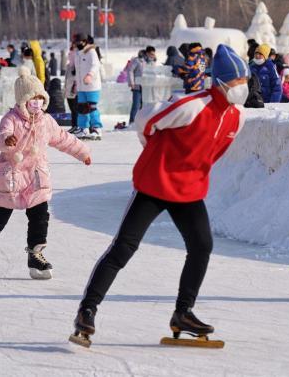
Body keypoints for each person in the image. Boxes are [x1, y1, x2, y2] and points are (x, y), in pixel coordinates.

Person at [71, 44, 249, 347]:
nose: (241, 88)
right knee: (124, 247)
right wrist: (156, 154)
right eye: (237, 82)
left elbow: (214, 153)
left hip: (189, 189)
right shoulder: (191, 105)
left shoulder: (236, 118)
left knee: (202, 245)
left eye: (245, 82)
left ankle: (183, 313)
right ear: (220, 82)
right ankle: (87, 311)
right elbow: (146, 121)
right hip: (155, 183)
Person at [0, 67, 91, 279]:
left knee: (40, 217)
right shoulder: (11, 118)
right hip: (11, 176)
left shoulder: (46, 121)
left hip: (36, 178)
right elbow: (0, 137)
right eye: (32, 98)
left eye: (40, 97)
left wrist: (83, 152)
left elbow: (63, 139)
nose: (37, 102)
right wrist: (6, 140)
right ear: (22, 100)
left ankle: (35, 254)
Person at [74, 34, 103, 140]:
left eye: (79, 42)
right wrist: (76, 83)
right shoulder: (78, 54)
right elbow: (78, 71)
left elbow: (96, 65)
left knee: (92, 107)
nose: (77, 44)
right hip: (81, 87)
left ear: (85, 41)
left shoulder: (91, 52)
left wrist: (90, 75)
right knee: (82, 108)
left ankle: (96, 128)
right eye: (76, 42)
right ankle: (83, 128)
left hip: (92, 86)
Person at [126, 49, 146, 125]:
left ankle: (141, 122)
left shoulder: (148, 62)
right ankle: (132, 122)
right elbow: (130, 70)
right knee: (136, 105)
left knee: (143, 106)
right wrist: (132, 82)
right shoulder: (136, 60)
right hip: (137, 86)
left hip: (146, 87)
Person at [64, 41, 79, 134]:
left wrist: (76, 86)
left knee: (75, 108)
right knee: (72, 108)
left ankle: (76, 125)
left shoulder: (78, 63)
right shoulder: (69, 66)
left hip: (74, 89)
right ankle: (74, 125)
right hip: (69, 88)